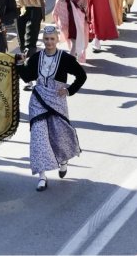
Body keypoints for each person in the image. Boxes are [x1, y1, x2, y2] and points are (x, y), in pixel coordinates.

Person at [16, 23, 86, 191]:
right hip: (38, 99)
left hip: (57, 99)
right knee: (38, 136)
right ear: (43, 40)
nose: (49, 42)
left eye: (52, 39)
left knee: (58, 133)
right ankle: (42, 176)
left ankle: (63, 161)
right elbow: (27, 77)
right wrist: (19, 64)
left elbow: (81, 75)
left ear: (57, 40)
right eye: (46, 39)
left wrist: (69, 90)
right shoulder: (36, 58)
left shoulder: (65, 58)